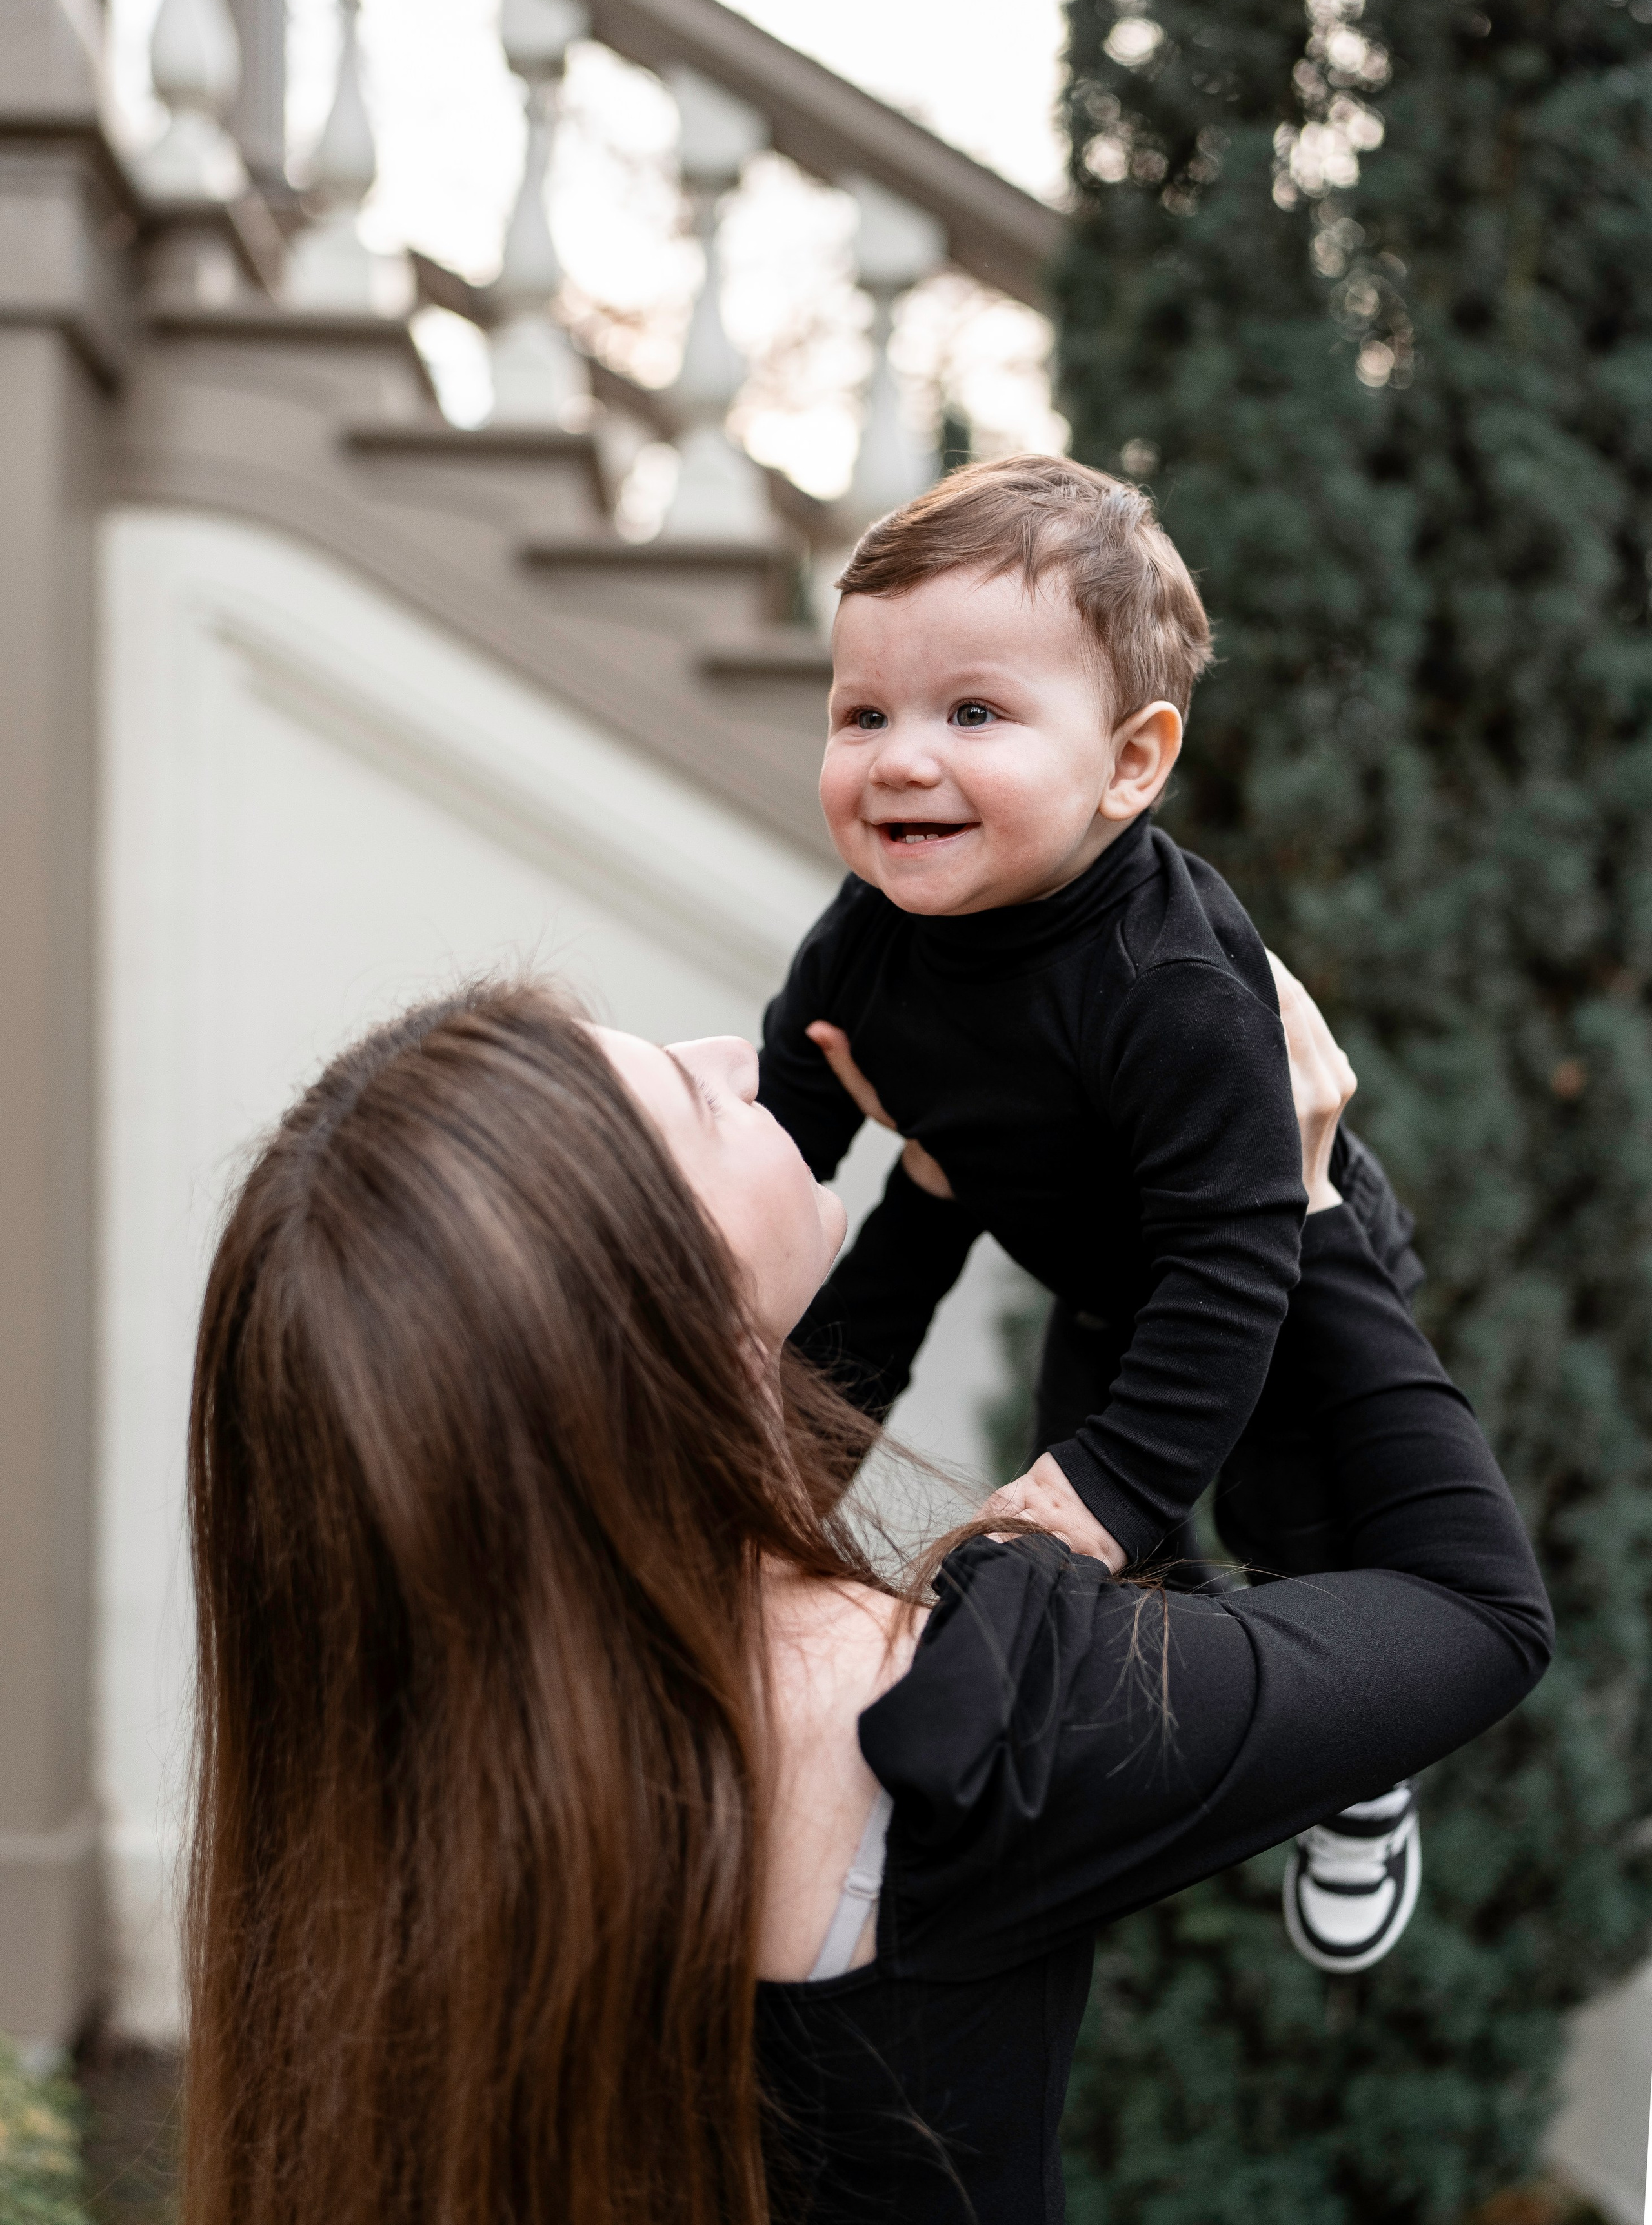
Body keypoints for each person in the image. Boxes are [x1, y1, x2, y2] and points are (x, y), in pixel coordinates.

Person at [182, 970, 1550, 2225]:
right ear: (678, 1322)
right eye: (691, 1097)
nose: (731, 1051)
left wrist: (935, 1190)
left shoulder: (424, 1744)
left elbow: (755, 1408)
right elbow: (1471, 1608)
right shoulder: (960, 1727)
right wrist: (1293, 1207)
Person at [756, 450, 1426, 1971]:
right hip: (1105, 1284)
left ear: (1128, 763)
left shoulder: (1170, 987)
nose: (898, 760)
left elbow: (1234, 1257)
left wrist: (1118, 1472)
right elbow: (784, 1118)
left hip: (1265, 1283)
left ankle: (1359, 1760)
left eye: (971, 712)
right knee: (1114, 1576)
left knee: (1286, 1529)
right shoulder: (863, 937)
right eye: (862, 713)